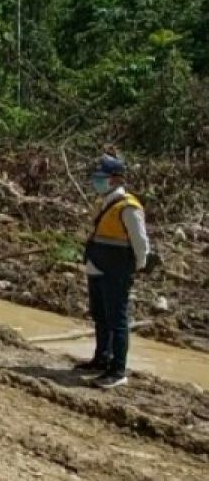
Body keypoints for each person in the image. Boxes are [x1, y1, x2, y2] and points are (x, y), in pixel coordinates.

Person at [76, 155, 151, 389]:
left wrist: (137, 266)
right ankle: (101, 359)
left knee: (117, 320)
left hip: (117, 269)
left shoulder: (129, 207)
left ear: (116, 179)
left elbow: (140, 242)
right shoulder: (104, 202)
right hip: (98, 266)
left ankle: (118, 370)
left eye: (102, 177)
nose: (97, 181)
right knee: (100, 315)